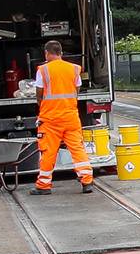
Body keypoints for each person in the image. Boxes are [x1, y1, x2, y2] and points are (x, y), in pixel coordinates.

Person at [32, 38, 95, 194]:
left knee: (48, 152)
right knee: (77, 149)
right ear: (61, 53)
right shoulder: (74, 69)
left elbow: (39, 93)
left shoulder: (43, 70)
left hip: (51, 119)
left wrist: (43, 105)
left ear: (47, 53)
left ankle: (44, 186)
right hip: (71, 117)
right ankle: (87, 181)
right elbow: (77, 89)